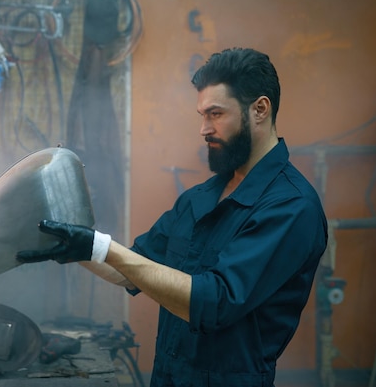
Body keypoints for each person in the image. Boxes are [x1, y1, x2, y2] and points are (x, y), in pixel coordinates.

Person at [17, 47, 328, 387]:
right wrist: (75, 245)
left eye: (215, 114)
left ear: (260, 110)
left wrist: (102, 247)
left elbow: (215, 302)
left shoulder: (291, 207)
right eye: (202, 115)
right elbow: (132, 269)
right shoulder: (201, 198)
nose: (204, 129)